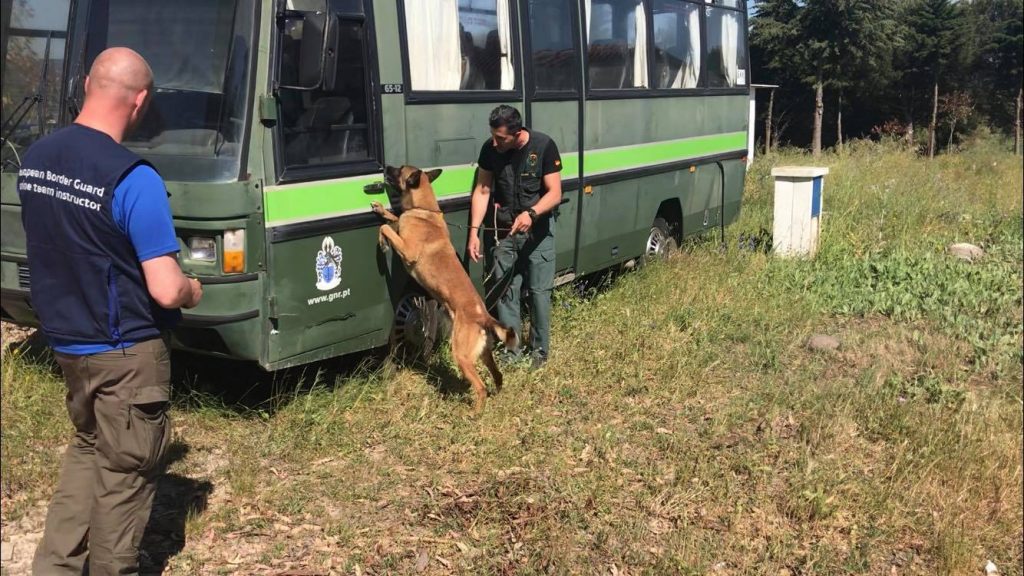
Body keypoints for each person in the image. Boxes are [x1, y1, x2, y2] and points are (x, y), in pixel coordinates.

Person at [17, 47, 202, 576]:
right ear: (140, 101)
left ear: (84, 83)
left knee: (87, 449)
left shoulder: (35, 160)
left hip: (68, 344)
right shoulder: (133, 178)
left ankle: (54, 567)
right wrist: (194, 289)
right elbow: (165, 290)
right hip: (125, 352)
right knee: (125, 476)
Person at [467, 105, 562, 370]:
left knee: (539, 293)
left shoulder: (544, 146)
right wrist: (474, 233)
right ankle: (512, 351)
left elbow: (554, 193)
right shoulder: (491, 149)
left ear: (517, 133)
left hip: (538, 233)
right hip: (504, 233)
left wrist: (532, 213)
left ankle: (540, 352)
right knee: (506, 293)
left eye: (501, 138)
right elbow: (483, 190)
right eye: (493, 136)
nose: (494, 142)